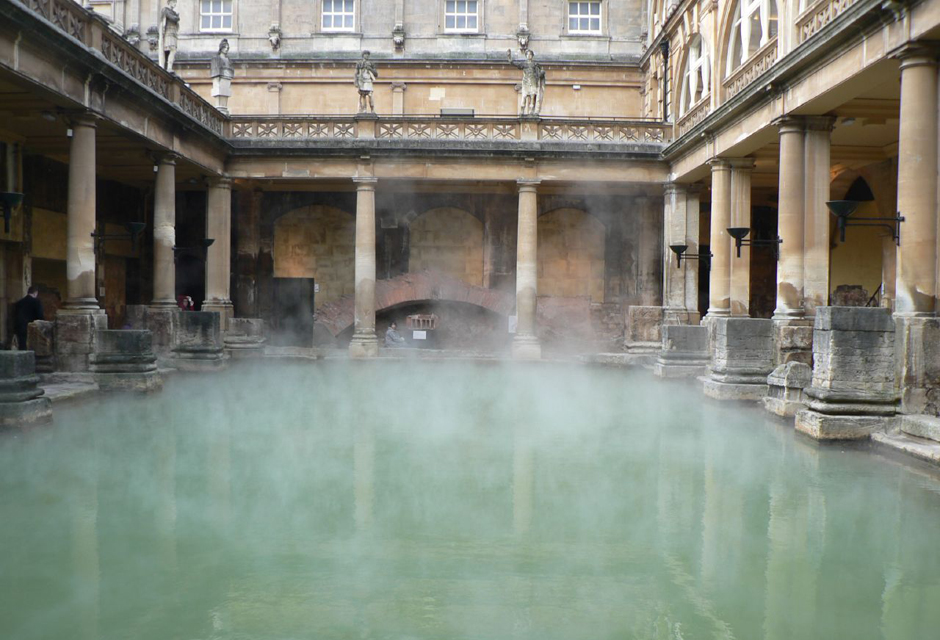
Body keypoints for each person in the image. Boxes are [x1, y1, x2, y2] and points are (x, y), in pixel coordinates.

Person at [507, 48, 546, 116]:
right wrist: (509, 57)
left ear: (532, 55)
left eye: (530, 54)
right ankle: (522, 111)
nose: (529, 56)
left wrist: (541, 73)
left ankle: (531, 111)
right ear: (526, 56)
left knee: (532, 97)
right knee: (524, 96)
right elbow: (514, 64)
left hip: (533, 81)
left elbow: (540, 72)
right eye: (527, 54)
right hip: (526, 82)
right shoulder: (524, 64)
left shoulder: (535, 64)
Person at [13, 286, 44, 351]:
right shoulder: (36, 302)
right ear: (36, 293)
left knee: (22, 347)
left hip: (20, 327)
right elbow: (40, 316)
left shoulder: (19, 303)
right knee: (32, 348)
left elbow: (15, 316)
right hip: (32, 327)